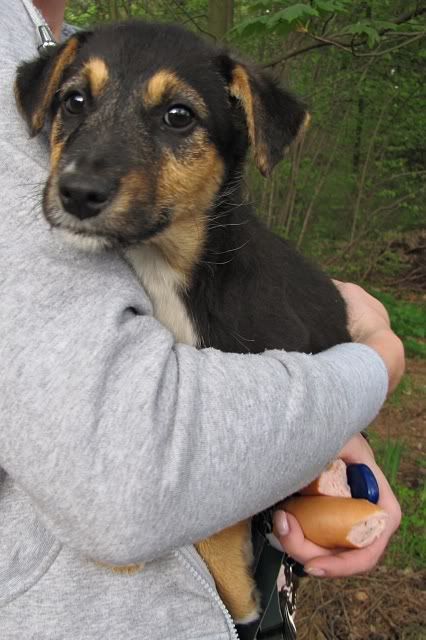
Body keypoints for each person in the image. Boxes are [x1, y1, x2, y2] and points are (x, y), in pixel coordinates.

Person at [0, 1, 403, 638]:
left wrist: (329, 437)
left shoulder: (70, 41)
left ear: (245, 135)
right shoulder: (34, 56)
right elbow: (125, 484)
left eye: (176, 118)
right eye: (75, 104)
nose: (82, 176)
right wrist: (376, 363)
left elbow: (299, 417)